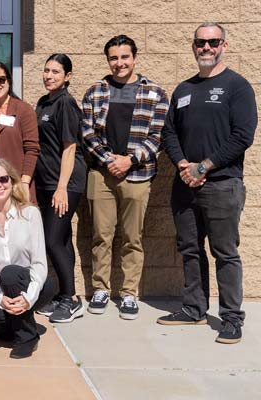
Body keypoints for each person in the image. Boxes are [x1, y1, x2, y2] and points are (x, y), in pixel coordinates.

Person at [158, 22, 257, 344]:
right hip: (185, 183)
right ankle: (194, 308)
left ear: (223, 46)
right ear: (193, 46)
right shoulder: (184, 89)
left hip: (222, 184)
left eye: (213, 42)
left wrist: (205, 166)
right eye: (201, 42)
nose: (206, 48)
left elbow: (243, 136)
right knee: (189, 248)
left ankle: (231, 318)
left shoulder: (237, 87)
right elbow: (169, 132)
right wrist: (183, 164)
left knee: (224, 252)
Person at [81, 35, 169, 319]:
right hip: (102, 173)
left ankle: (129, 294)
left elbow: (159, 136)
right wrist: (110, 160)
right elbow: (87, 133)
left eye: (124, 57)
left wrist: (130, 160)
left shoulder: (155, 93)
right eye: (114, 58)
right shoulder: (95, 91)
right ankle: (101, 289)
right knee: (101, 236)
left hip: (139, 174)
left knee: (133, 237)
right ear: (108, 60)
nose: (119, 63)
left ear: (135, 57)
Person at [0, 158, 54, 359]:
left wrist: (28, 298)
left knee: (10, 273)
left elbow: (39, 263)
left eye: (3, 179)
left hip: (31, 282)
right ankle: (14, 322)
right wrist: (0, 298)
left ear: (12, 181)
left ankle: (27, 337)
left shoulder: (30, 214)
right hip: (0, 286)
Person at [32, 54, 88, 323]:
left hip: (65, 183)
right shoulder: (44, 102)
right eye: (46, 70)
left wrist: (62, 187)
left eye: (56, 71)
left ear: (68, 76)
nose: (49, 76)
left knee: (53, 240)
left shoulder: (65, 103)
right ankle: (66, 294)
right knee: (61, 239)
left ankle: (71, 299)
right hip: (47, 183)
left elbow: (70, 147)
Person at [0, 60, 40, 202]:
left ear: (8, 81)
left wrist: (24, 183)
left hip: (13, 186)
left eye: (0, 79)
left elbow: (32, 150)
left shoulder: (23, 110)